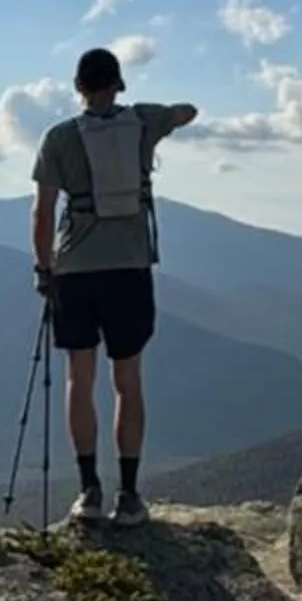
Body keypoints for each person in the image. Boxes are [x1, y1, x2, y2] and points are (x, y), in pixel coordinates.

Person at [30, 48, 198, 526]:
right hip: (129, 269)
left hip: (76, 273)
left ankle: (88, 492)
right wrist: (166, 115)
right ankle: (129, 495)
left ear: (78, 86)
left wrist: (45, 271)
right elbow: (189, 112)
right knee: (128, 382)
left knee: (78, 380)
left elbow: (42, 212)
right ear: (118, 84)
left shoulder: (59, 138)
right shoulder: (142, 123)